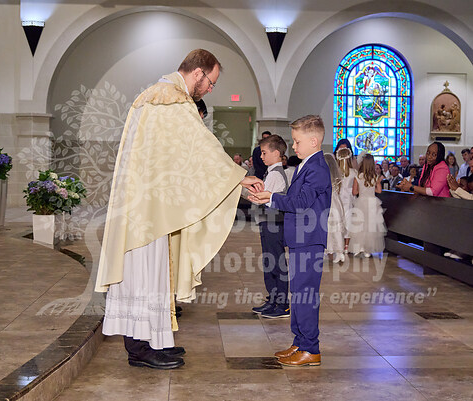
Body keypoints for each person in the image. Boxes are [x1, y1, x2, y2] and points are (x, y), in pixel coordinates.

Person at [95, 49, 263, 370]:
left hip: (150, 201)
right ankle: (140, 348)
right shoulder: (171, 100)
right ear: (198, 72)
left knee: (152, 274)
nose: (210, 89)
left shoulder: (153, 96)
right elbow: (201, 148)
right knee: (144, 274)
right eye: (211, 82)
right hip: (150, 207)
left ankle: (154, 341)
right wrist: (239, 177)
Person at [250, 115, 331, 367]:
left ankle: (310, 348)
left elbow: (301, 202)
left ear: (314, 141)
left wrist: (271, 198)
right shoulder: (306, 165)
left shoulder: (317, 168)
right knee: (298, 293)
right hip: (299, 240)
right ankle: (299, 342)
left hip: (309, 240)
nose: (293, 146)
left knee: (305, 295)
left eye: (297, 141)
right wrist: (269, 197)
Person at [251, 134, 290, 318]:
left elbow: (261, 198)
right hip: (269, 222)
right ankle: (273, 299)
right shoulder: (271, 172)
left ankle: (282, 304)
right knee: (269, 262)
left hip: (274, 223)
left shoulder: (275, 174)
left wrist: (245, 191)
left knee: (276, 263)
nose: (261, 156)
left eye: (264, 152)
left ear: (276, 153)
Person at [348, 153, 386, 257]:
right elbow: (379, 190)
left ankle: (359, 247)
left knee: (360, 225)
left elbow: (354, 193)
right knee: (370, 226)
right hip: (372, 202)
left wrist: (361, 191)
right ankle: (368, 249)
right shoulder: (375, 177)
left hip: (361, 202)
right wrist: (374, 186)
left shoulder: (358, 177)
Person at [324, 153, 345, 263]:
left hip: (329, 203)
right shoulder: (336, 176)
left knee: (329, 228)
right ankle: (337, 251)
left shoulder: (324, 175)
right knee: (335, 229)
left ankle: (333, 250)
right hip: (336, 202)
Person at [336, 147, 357, 254]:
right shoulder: (353, 172)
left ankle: (338, 243)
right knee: (348, 221)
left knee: (339, 220)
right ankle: (346, 245)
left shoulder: (336, 172)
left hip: (339, 198)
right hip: (349, 198)